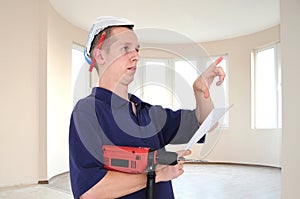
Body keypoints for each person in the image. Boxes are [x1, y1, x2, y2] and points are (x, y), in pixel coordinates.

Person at [69, 16, 225, 199]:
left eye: (136, 49)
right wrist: (156, 175)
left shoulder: (149, 113)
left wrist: (200, 92)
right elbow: (89, 191)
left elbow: (204, 122)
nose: (136, 56)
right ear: (100, 55)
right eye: (125, 48)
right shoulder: (87, 112)